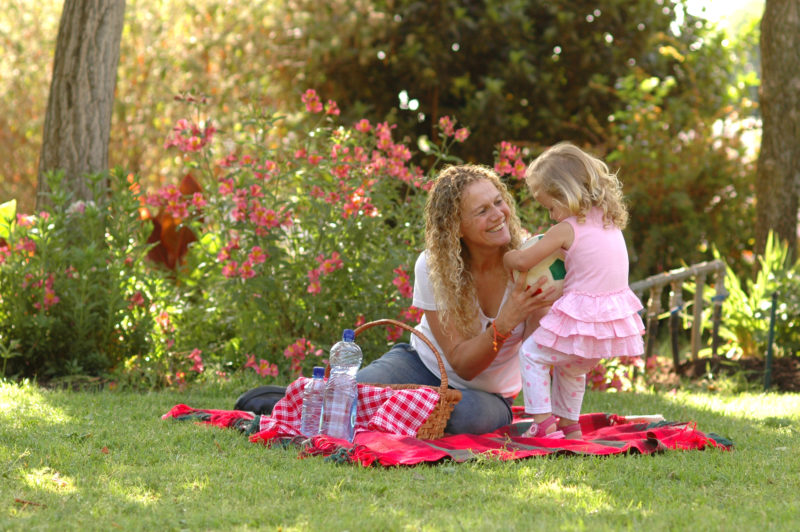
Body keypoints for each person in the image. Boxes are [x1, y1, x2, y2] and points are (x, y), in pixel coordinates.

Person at [356, 164, 555, 434]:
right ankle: (406, 408)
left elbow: (538, 355)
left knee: (463, 417)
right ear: (456, 227)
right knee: (351, 393)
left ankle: (403, 409)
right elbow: (462, 364)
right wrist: (506, 320)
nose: (499, 215)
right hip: (421, 367)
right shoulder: (433, 265)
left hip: (488, 394)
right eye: (482, 211)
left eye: (499, 202)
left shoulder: (531, 260)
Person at [503, 142, 645, 440]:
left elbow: (524, 260)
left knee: (531, 354)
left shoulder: (567, 228)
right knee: (571, 369)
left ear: (567, 193)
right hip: (606, 328)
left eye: (551, 207)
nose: (553, 216)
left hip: (580, 322)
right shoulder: (610, 224)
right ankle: (569, 424)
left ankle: (542, 424)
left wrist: (507, 257)